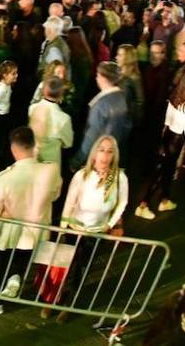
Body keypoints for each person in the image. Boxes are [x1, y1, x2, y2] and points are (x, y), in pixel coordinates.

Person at [0, 126, 63, 316]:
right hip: (35, 230)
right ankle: (15, 279)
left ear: (13, 149)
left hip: (9, 230)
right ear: (34, 145)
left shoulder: (4, 178)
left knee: (2, 263)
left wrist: (7, 212)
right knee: (22, 260)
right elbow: (55, 194)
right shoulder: (51, 170)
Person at [50, 135, 129, 319]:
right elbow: (70, 201)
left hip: (96, 232)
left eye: (109, 151)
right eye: (101, 150)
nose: (105, 155)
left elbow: (122, 202)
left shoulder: (119, 178)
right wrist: (62, 228)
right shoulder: (82, 175)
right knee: (64, 267)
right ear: (94, 153)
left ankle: (68, 306)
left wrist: (110, 224)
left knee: (81, 270)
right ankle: (53, 300)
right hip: (74, 228)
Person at [136, 66, 185, 220]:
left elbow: (167, 118)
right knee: (162, 174)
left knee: (164, 172)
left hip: (167, 136)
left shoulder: (175, 95)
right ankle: (143, 205)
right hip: (176, 141)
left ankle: (164, 200)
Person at [73, 61, 132, 169]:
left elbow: (91, 135)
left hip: (97, 157)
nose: (96, 78)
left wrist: (77, 160)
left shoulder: (101, 105)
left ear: (103, 78)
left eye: (97, 75)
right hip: (112, 155)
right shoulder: (122, 97)